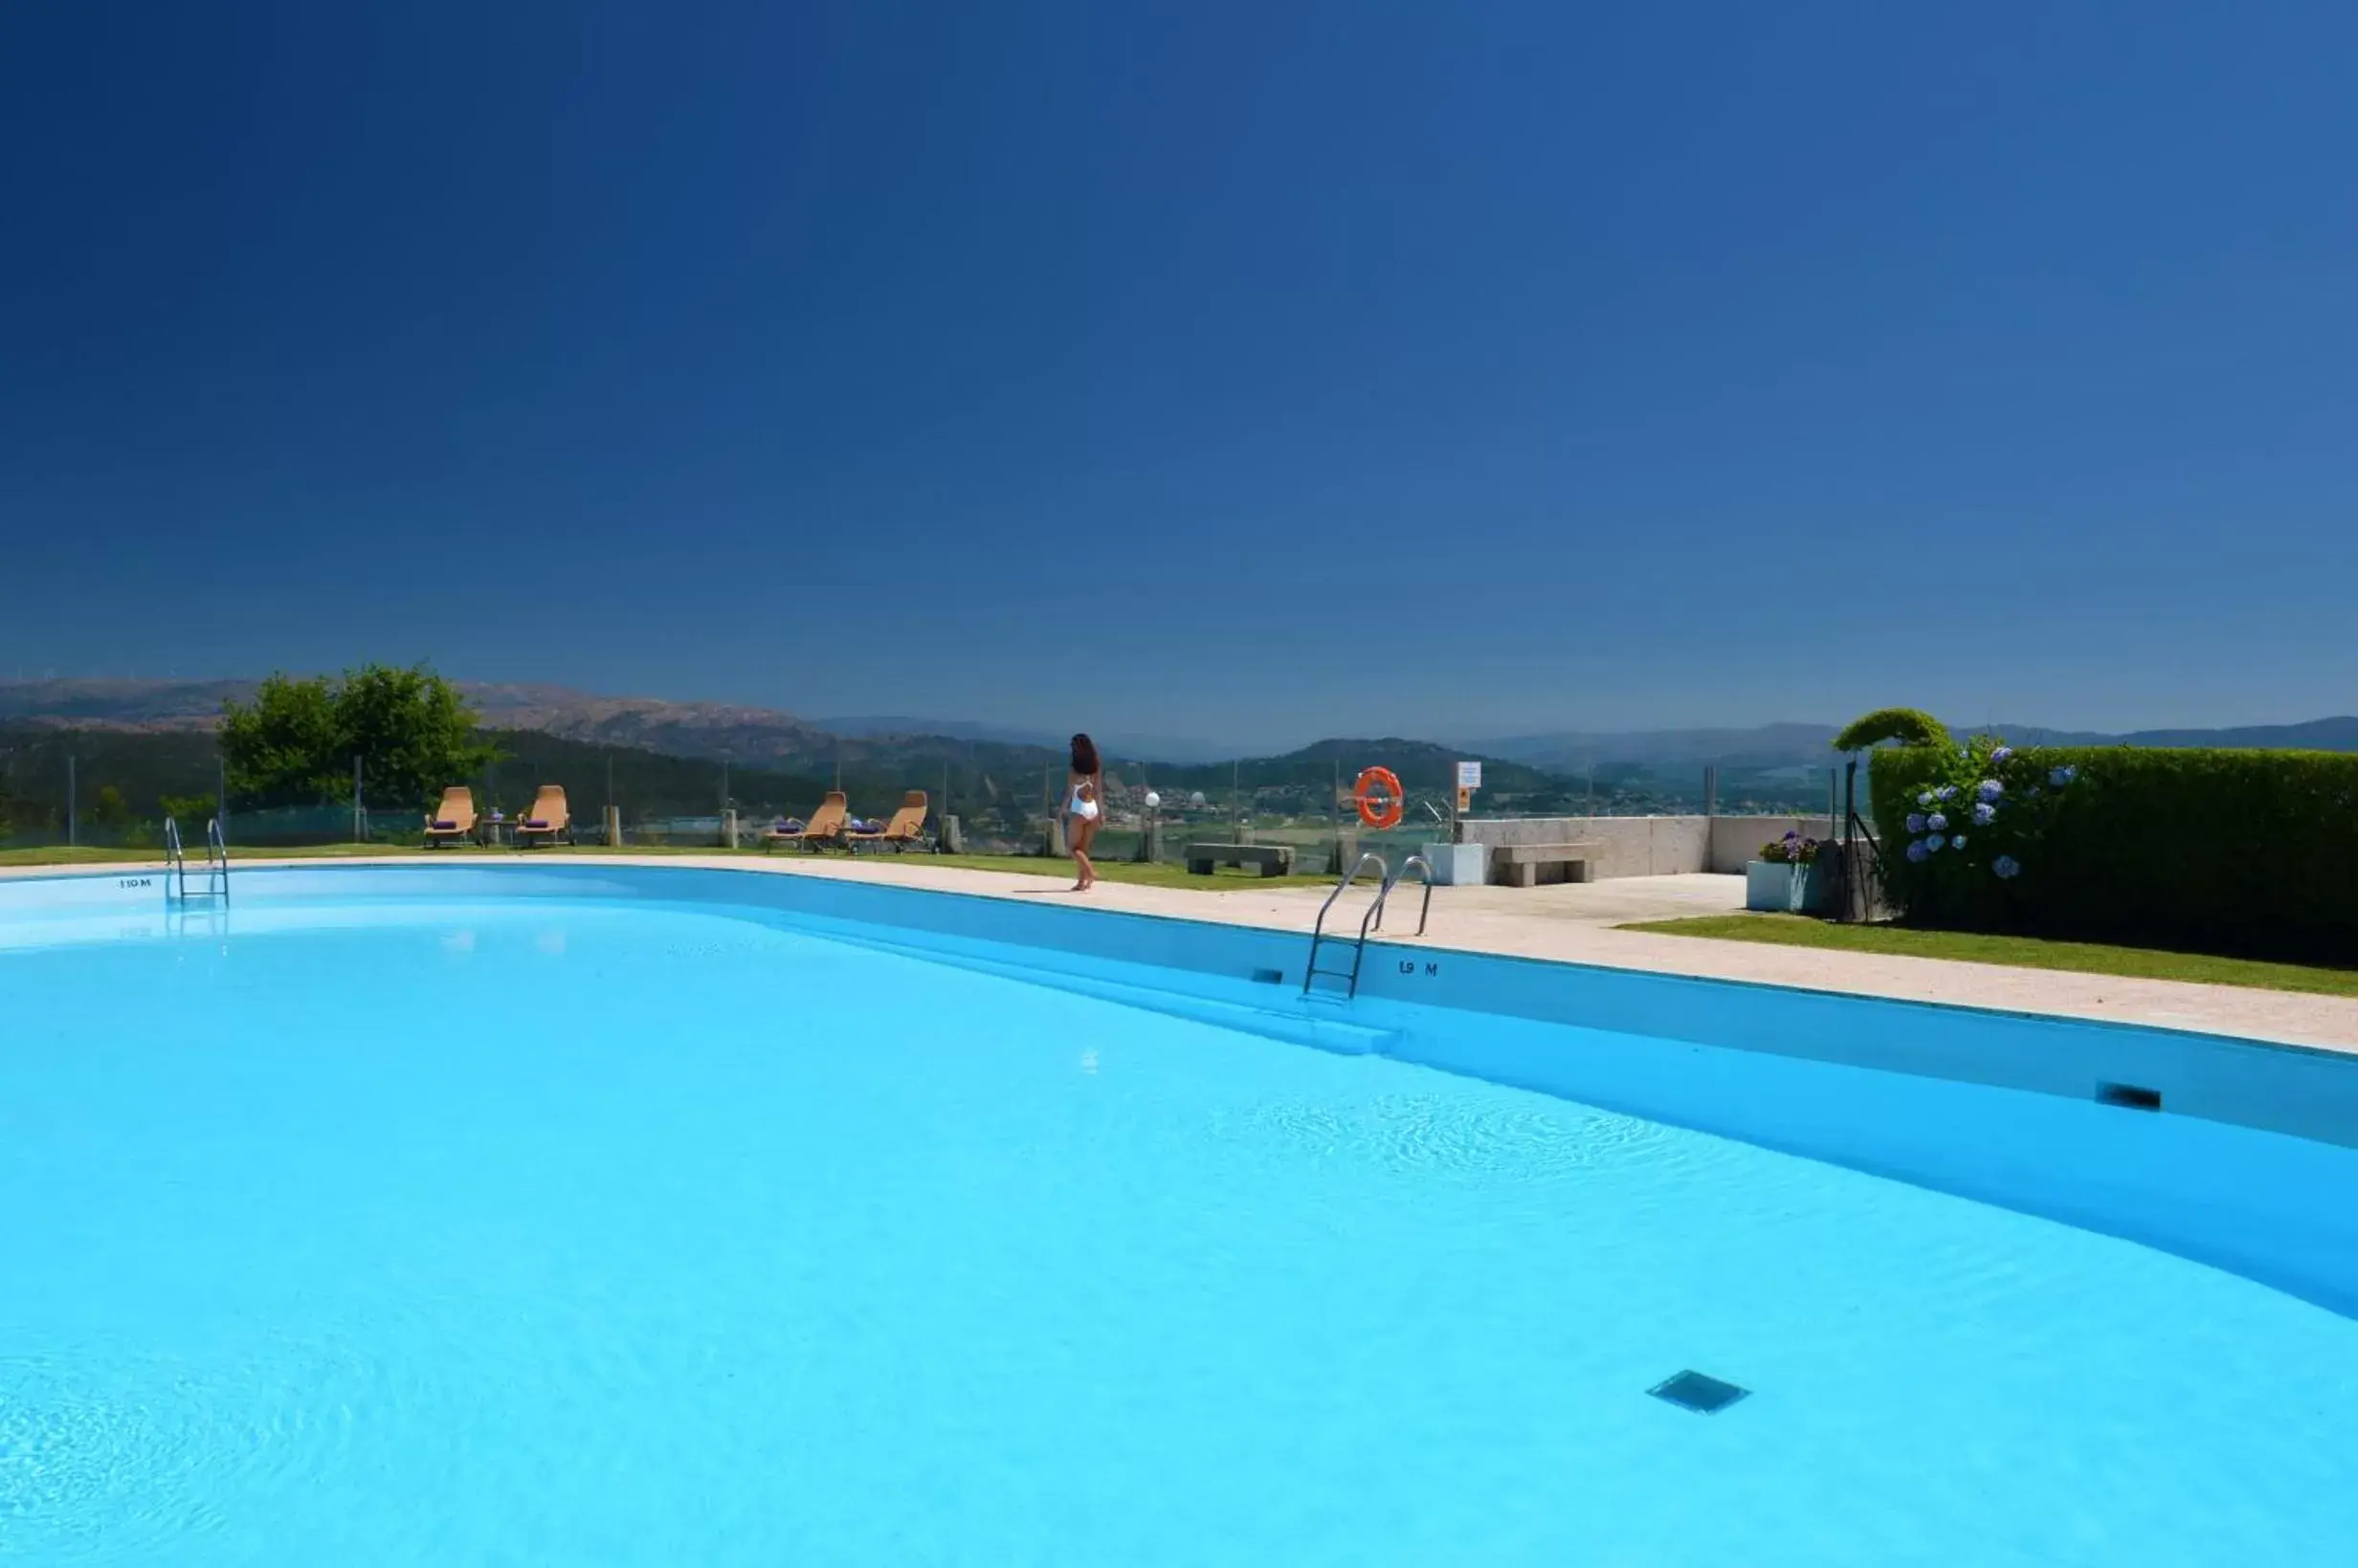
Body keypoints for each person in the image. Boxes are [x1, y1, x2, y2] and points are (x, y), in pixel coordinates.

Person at [1066, 733, 1103, 892]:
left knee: (1072, 848)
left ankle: (1090, 872)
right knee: (1084, 848)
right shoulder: (1096, 766)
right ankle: (1082, 883)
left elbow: (1069, 792)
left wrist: (1062, 809)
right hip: (1093, 808)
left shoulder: (1074, 769)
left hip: (1080, 809)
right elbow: (1099, 792)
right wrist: (1102, 813)